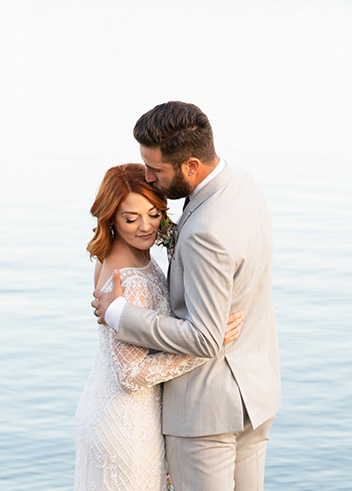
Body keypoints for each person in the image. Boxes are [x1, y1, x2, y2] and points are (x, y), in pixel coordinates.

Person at [93, 101, 281, 491]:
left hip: (205, 412)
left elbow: (205, 338)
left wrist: (120, 314)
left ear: (191, 165)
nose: (148, 177)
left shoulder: (205, 232)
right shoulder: (242, 185)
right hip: (257, 393)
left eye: (156, 170)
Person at [75, 163, 242, 491]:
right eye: (130, 218)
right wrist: (207, 346)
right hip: (126, 421)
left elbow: (163, 234)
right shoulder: (129, 280)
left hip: (110, 409)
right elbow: (131, 375)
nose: (145, 227)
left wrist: (180, 239)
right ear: (111, 218)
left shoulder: (115, 253)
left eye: (153, 213)